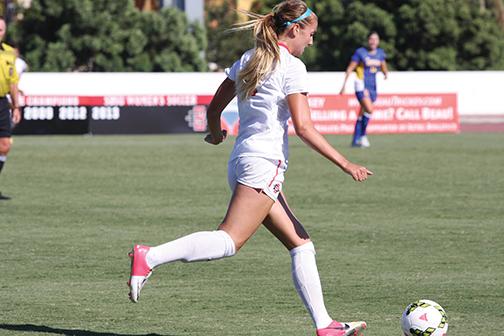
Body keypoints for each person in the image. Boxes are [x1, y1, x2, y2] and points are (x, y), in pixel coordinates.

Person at [128, 2, 372, 335]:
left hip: (242, 160)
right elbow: (304, 127)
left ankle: (325, 324)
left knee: (301, 243)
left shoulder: (249, 58)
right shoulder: (292, 66)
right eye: (311, 35)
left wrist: (216, 133)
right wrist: (346, 163)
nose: (311, 43)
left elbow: (214, 108)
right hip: (263, 164)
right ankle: (150, 256)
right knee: (228, 241)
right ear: (295, 29)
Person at [339, 32, 388, 148]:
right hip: (361, 85)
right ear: (368, 40)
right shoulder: (360, 52)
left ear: (378, 41)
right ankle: (363, 136)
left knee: (362, 113)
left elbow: (383, 65)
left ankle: (355, 140)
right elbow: (350, 69)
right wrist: (344, 86)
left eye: (375, 39)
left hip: (373, 87)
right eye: (371, 39)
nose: (373, 41)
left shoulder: (380, 53)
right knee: (369, 110)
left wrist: (385, 73)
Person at [0, 17, 21, 200]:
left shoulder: (9, 53)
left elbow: (13, 83)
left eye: (1, 30)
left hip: (1, 102)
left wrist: (16, 106)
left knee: (5, 145)